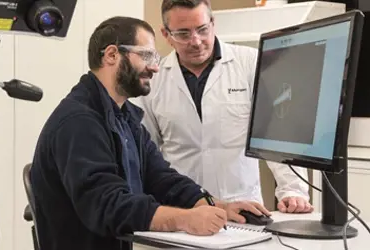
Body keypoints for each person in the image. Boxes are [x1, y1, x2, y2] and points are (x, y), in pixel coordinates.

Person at [30, 16, 271, 250]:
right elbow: (108, 205)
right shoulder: (80, 122)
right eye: (146, 56)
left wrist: (216, 205)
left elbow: (161, 177)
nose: (155, 67)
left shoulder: (125, 117)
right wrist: (185, 219)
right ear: (112, 55)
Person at [133, 0, 313, 213]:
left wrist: (293, 190)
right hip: (184, 210)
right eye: (183, 34)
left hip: (244, 206)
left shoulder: (250, 63)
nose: (196, 41)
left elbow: (278, 132)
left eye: (202, 29)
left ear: (213, 23)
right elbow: (146, 151)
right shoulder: (154, 79)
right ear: (166, 35)